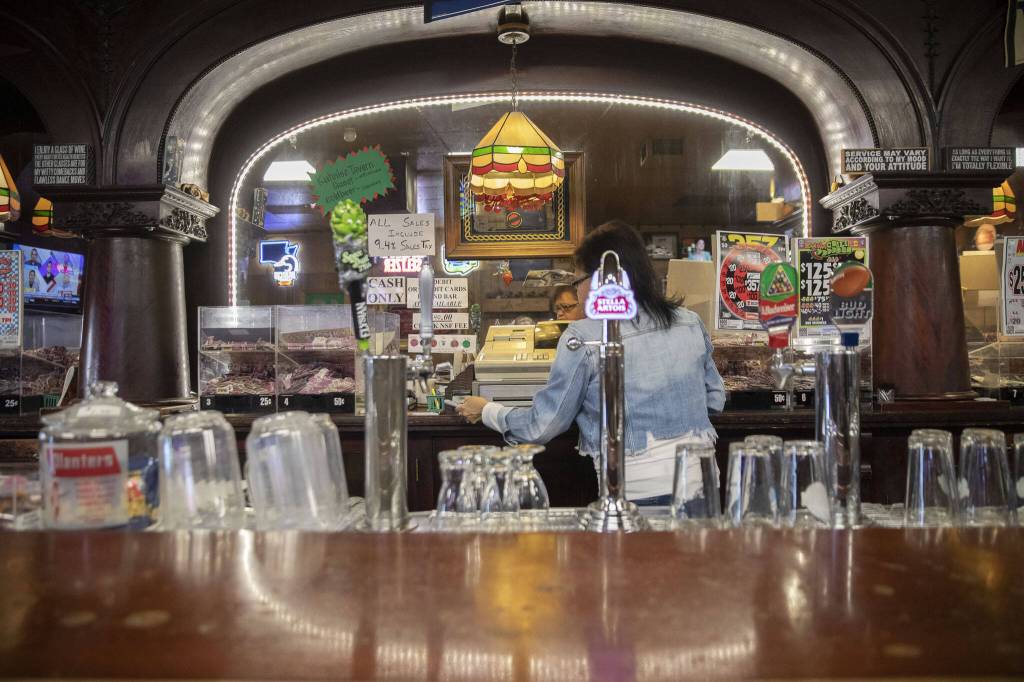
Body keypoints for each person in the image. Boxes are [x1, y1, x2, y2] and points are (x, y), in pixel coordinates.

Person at [459, 220, 726, 505]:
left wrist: (488, 411)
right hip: (703, 484)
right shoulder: (689, 321)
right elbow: (715, 399)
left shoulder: (584, 337)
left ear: (601, 281)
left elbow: (544, 425)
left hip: (634, 493)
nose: (578, 293)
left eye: (577, 282)